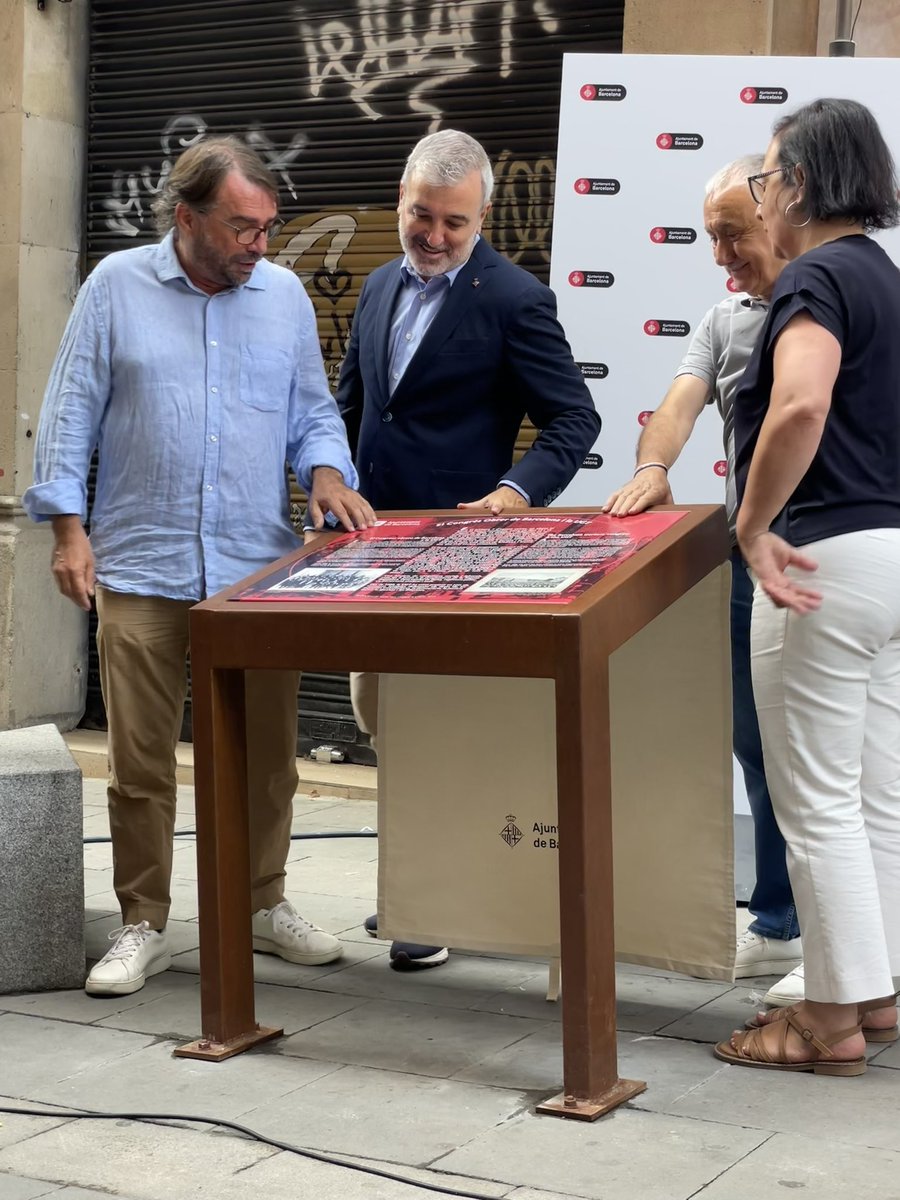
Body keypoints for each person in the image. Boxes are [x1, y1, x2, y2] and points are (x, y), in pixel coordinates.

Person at [24, 136, 375, 997]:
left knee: (266, 758)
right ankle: (143, 921)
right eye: (242, 227)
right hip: (140, 565)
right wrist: (68, 532)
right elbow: (69, 414)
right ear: (186, 217)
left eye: (269, 226)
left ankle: (263, 905)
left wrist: (327, 469)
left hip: (257, 570)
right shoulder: (115, 288)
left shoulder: (285, 298)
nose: (260, 244)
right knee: (142, 759)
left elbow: (312, 412)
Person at [336, 128, 600, 970]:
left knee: (445, 729)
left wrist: (510, 496)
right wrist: (322, 486)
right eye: (421, 216)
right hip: (367, 553)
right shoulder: (377, 285)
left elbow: (573, 420)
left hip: (457, 558)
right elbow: (349, 409)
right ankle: (421, 884)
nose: (436, 237)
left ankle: (434, 903)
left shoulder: (515, 299)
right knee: (381, 716)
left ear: (482, 215)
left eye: (454, 222)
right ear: (402, 199)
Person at [715, 97, 900, 1075]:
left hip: (820, 554)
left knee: (819, 801)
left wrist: (750, 524)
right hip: (891, 560)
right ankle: (872, 996)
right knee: (878, 796)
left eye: (767, 179)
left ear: (796, 184)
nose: (764, 197)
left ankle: (827, 1021)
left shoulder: (818, 275)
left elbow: (801, 401)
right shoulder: (885, 277)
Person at [603, 156, 805, 998]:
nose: (721, 254)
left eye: (734, 233)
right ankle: (779, 919)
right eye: (711, 236)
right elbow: (678, 408)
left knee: (828, 755)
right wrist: (654, 467)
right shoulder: (723, 321)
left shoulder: (826, 303)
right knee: (757, 745)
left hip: (823, 561)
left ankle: (846, 936)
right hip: (742, 568)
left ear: (780, 219)